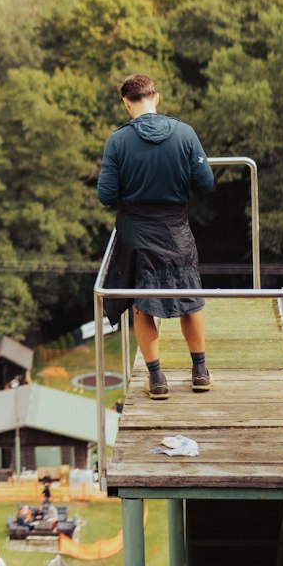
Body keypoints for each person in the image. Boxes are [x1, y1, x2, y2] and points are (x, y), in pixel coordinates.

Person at [97, 72, 215, 399]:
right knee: (190, 300)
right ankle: (200, 372)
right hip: (176, 229)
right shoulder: (185, 133)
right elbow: (205, 182)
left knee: (142, 304)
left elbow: (106, 195)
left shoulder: (117, 141)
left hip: (135, 233)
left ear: (126, 103)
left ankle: (157, 380)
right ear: (156, 98)